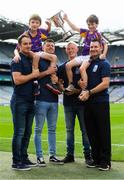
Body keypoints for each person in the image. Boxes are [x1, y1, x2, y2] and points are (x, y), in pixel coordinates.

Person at [79, 39, 111, 171]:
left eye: (95, 47)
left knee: (103, 132)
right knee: (91, 132)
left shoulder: (104, 63)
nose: (93, 49)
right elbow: (85, 84)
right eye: (91, 47)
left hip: (100, 102)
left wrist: (89, 92)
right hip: (88, 102)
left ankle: (105, 161)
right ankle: (96, 158)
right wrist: (82, 86)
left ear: (101, 48)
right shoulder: (88, 64)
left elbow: (105, 83)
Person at [58, 41, 92, 164]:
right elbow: (59, 84)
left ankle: (88, 155)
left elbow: (88, 85)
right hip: (68, 103)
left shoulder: (84, 63)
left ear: (77, 49)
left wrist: (77, 90)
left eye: (73, 48)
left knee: (85, 130)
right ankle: (70, 155)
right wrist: (63, 90)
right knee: (69, 130)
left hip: (82, 103)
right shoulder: (62, 67)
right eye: (68, 48)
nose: (70, 50)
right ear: (66, 51)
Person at [10, 34, 40, 170]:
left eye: (29, 43)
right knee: (19, 132)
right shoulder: (17, 60)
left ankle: (24, 158)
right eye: (25, 44)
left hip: (30, 101)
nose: (28, 46)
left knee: (27, 132)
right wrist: (33, 75)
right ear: (20, 46)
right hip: (20, 100)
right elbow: (17, 80)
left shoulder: (30, 58)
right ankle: (16, 162)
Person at [13, 14, 60, 96]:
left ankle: (52, 80)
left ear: (39, 24)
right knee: (36, 56)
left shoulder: (40, 31)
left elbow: (48, 31)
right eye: (33, 22)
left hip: (39, 51)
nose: (34, 24)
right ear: (29, 24)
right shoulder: (26, 34)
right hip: (30, 51)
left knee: (54, 57)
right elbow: (17, 48)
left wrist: (49, 25)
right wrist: (16, 55)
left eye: (37, 23)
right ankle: (35, 80)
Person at [34, 39, 64, 167]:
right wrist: (47, 72)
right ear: (43, 47)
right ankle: (39, 157)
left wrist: (56, 80)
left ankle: (52, 155)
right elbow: (34, 76)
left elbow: (58, 84)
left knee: (52, 129)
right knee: (38, 129)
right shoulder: (38, 59)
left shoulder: (56, 63)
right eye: (48, 45)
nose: (51, 47)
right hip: (40, 99)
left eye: (53, 45)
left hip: (54, 100)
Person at [63, 14, 108, 92]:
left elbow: (105, 44)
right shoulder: (86, 32)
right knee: (68, 65)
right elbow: (74, 28)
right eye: (89, 24)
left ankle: (84, 88)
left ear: (97, 24)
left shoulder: (97, 34)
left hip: (90, 56)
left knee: (82, 68)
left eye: (92, 24)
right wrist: (67, 20)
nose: (90, 26)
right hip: (83, 56)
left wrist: (103, 54)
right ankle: (71, 85)